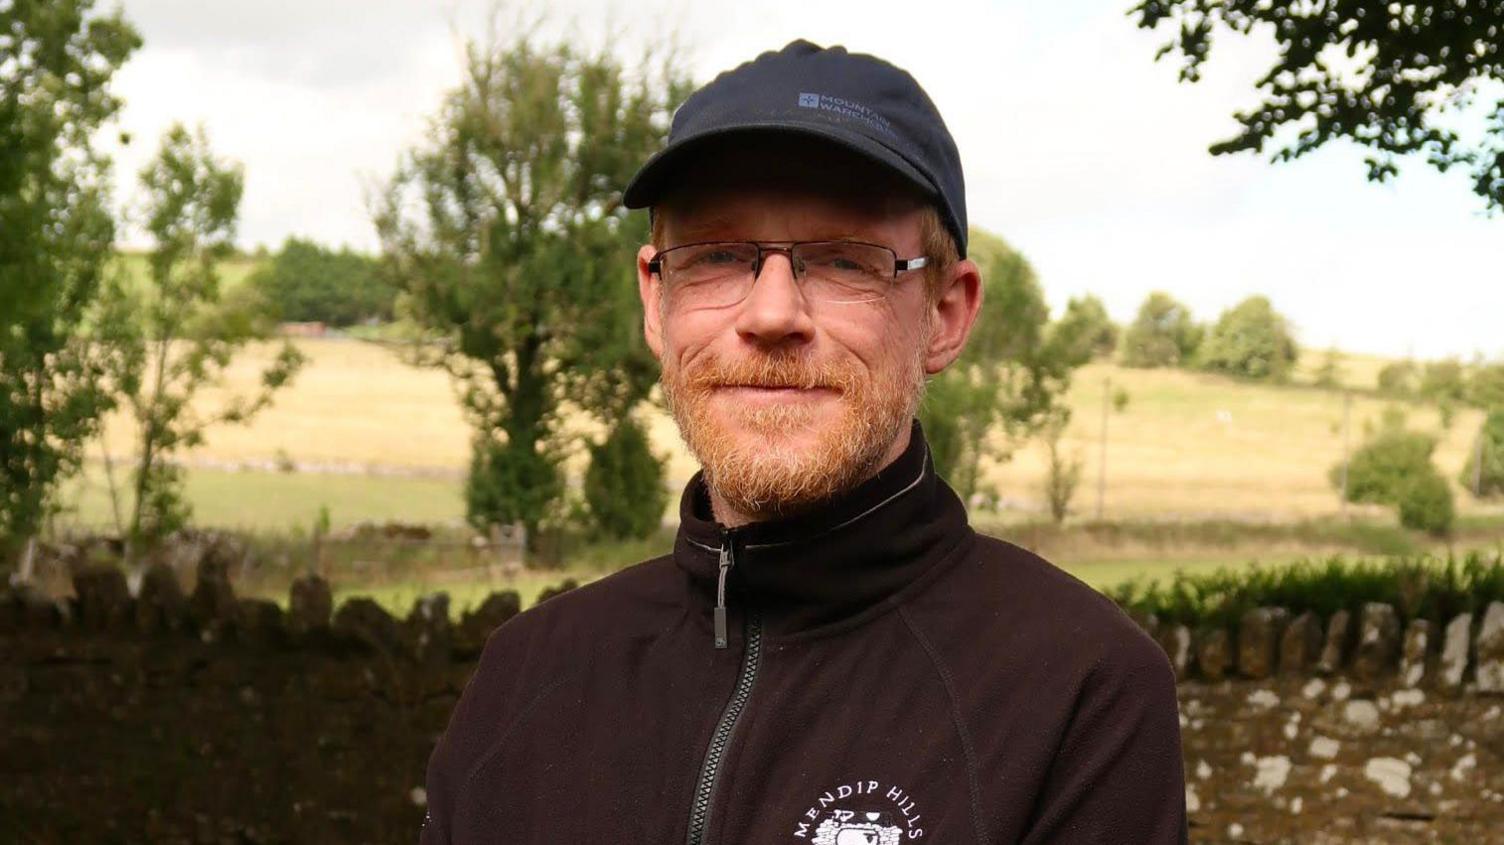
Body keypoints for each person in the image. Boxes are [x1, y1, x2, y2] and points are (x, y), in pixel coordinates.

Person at [420, 40, 1187, 844]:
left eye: (842, 261)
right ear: (656, 300)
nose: (772, 313)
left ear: (946, 314)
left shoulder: (1077, 691)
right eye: (718, 256)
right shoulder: (528, 677)